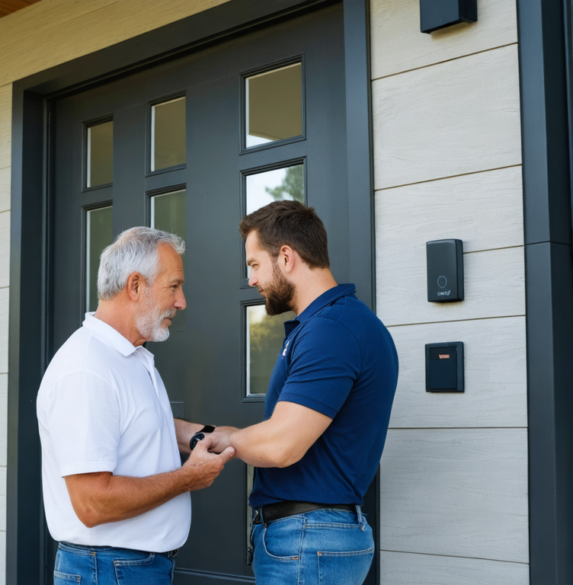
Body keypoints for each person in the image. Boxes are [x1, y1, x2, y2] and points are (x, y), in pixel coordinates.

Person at [208, 201, 398, 584]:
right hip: (310, 537)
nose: (252, 280)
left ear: (286, 257)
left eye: (254, 264)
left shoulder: (332, 330)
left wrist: (221, 437)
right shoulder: (331, 325)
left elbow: (281, 446)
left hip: (308, 539)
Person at [37, 227, 235, 585]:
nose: (182, 301)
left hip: (127, 568)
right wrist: (187, 478)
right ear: (135, 286)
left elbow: (140, 424)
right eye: (174, 286)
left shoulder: (129, 356)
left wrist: (209, 436)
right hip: (107, 571)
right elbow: (93, 503)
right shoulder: (86, 370)